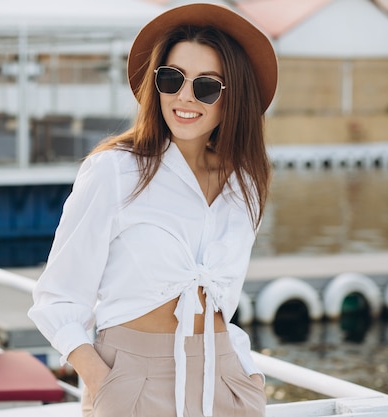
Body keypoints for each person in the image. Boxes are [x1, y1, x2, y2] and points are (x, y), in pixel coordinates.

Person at [28, 3, 278, 417]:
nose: (184, 97)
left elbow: (221, 305)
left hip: (228, 383)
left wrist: (251, 379)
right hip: (131, 385)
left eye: (207, 87)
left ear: (232, 98)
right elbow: (57, 297)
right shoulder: (115, 170)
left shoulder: (244, 184)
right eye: (172, 78)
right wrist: (102, 380)